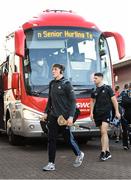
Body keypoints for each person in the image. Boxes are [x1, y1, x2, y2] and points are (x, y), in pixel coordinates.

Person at [42, 64, 84, 171]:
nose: (53, 71)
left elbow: (73, 102)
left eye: (55, 69)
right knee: (51, 139)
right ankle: (51, 163)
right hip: (53, 116)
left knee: (67, 139)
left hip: (64, 117)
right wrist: (46, 112)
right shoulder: (51, 83)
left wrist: (70, 117)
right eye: (52, 69)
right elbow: (50, 100)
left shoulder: (66, 84)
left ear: (61, 71)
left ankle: (79, 154)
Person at [90, 73, 121, 161]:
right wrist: (91, 112)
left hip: (106, 113)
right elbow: (92, 101)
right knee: (103, 133)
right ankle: (107, 152)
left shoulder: (107, 88)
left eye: (95, 78)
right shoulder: (94, 90)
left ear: (101, 78)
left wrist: (117, 112)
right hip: (97, 114)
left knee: (104, 131)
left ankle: (103, 152)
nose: (94, 80)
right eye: (94, 78)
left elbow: (114, 100)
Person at [120, 83, 131, 150]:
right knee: (125, 130)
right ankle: (125, 145)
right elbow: (124, 102)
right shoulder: (124, 93)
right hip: (125, 115)